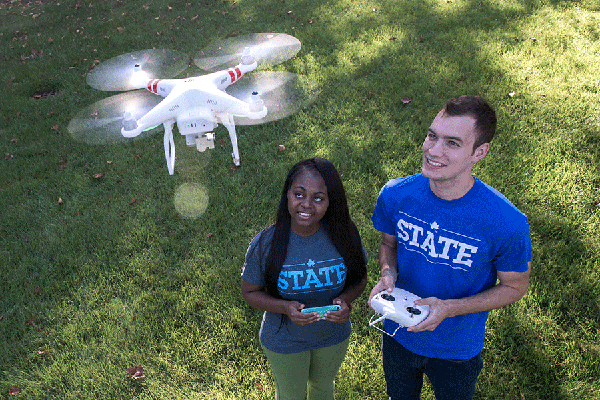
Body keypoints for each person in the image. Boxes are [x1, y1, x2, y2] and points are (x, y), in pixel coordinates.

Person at [369, 95, 532, 400]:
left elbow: (514, 287)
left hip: (457, 349)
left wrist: (449, 308)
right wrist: (387, 274)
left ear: (479, 152)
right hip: (398, 332)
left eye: (452, 143)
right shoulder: (395, 195)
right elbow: (388, 244)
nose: (432, 150)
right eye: (432, 135)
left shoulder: (506, 222)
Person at [241, 157, 368, 400]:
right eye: (299, 194)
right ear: (287, 195)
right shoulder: (266, 243)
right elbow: (250, 291)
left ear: (331, 201)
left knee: (323, 388)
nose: (307, 204)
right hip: (284, 340)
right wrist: (285, 308)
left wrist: (345, 300)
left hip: (333, 336)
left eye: (318, 198)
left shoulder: (345, 235)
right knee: (291, 396)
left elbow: (360, 279)